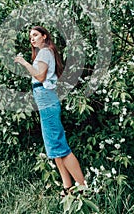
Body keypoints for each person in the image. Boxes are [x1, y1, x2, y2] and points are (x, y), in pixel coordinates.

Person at [14, 25, 85, 196]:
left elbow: (40, 76)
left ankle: (83, 188)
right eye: (30, 36)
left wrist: (24, 63)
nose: (32, 38)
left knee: (59, 145)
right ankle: (68, 187)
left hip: (46, 98)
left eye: (36, 35)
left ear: (44, 36)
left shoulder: (45, 52)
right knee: (53, 146)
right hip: (44, 98)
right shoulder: (43, 53)